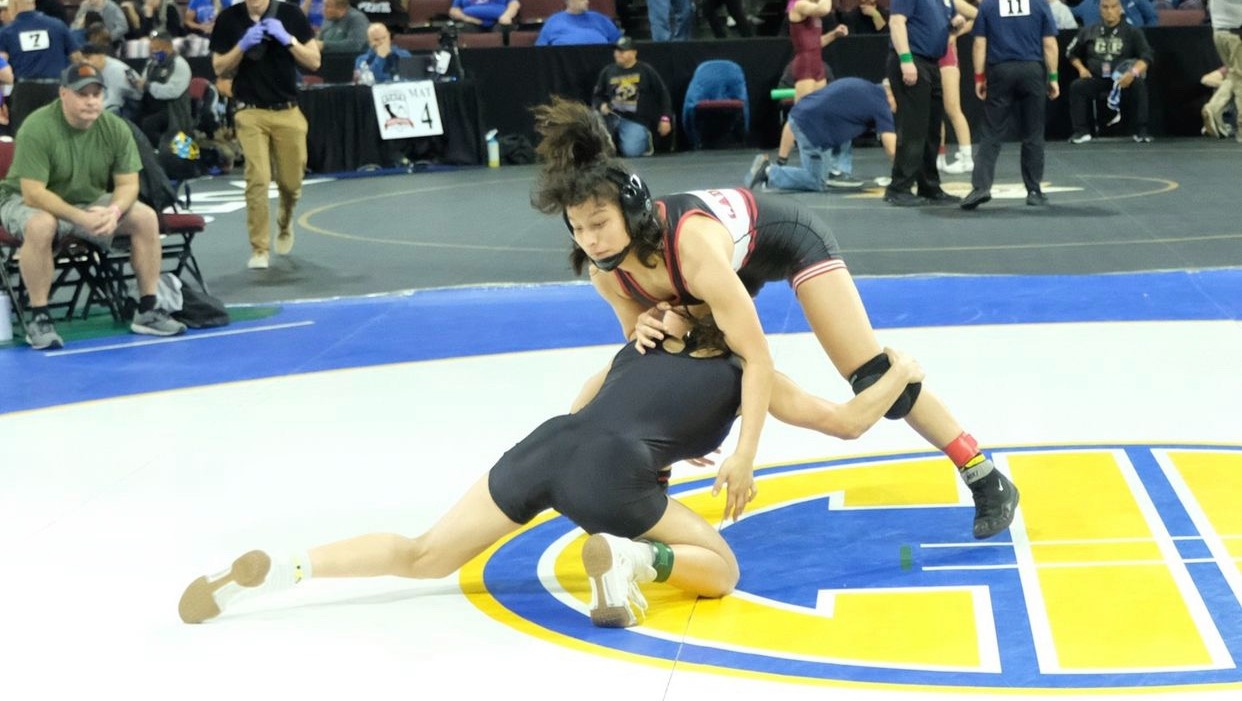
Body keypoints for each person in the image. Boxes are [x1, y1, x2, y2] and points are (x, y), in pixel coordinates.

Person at [178, 314, 927, 628]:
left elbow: (585, 413)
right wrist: (900, 371)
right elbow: (847, 421)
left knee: (423, 551)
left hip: (551, 443)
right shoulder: (745, 371)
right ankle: (632, 558)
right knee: (722, 568)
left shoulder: (640, 343)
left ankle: (286, 566)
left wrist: (651, 445)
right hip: (612, 469)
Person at [531, 97, 1021, 541]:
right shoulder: (606, 274)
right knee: (663, 354)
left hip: (786, 240)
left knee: (871, 375)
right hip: (717, 273)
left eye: (600, 224)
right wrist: (668, 396)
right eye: (578, 229)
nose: (590, 240)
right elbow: (644, 367)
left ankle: (982, 472)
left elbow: (758, 359)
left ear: (632, 212)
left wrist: (744, 455)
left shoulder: (691, 247)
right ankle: (654, 489)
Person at [0, 62, 187, 349]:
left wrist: (114, 211)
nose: (91, 101)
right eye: (82, 94)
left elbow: (128, 185)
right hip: (25, 200)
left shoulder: (115, 127)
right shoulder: (37, 127)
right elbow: (33, 193)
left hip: (87, 200)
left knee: (145, 217)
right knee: (41, 225)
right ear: (63, 94)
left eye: (96, 94)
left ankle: (147, 309)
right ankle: (39, 318)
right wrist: (80, 218)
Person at [209, 0, 319, 270]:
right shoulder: (229, 19)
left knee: (291, 183)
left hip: (287, 110)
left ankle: (285, 218)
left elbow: (314, 61)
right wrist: (242, 46)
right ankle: (259, 248)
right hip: (250, 111)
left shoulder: (290, 14)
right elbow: (219, 67)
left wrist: (288, 39)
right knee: (257, 178)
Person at [960, 0, 1059, 210]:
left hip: (1001, 71)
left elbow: (979, 44)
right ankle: (1034, 191)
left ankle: (981, 187)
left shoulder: (988, 5)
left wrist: (979, 77)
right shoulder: (1039, 4)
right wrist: (1053, 77)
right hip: (1032, 70)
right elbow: (1049, 43)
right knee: (1033, 132)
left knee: (991, 132)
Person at [746, 77, 897, 192]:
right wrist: (904, 177)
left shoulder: (865, 88)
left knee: (850, 124)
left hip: (805, 115)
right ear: (892, 94)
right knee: (815, 181)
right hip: (809, 127)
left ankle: (836, 171)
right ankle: (769, 172)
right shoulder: (881, 105)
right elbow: (891, 149)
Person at [884, 0, 965, 205]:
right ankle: (898, 188)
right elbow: (896, 22)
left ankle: (929, 186)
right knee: (913, 128)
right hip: (913, 59)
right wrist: (905, 59)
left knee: (932, 128)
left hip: (932, 62)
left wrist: (954, 25)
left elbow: (941, 24)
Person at [1065, 0, 1153, 143]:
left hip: (1122, 79)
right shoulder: (1089, 30)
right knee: (1077, 86)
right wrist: (1081, 69)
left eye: (1113, 7)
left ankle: (1141, 131)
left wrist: (1132, 73)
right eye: (1105, 7)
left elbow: (1146, 57)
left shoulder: (1132, 32)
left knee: (1139, 84)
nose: (1109, 11)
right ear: (1100, 9)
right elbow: (1071, 53)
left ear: (1120, 8)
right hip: (1096, 78)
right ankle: (1081, 131)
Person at [774, 0, 846, 167]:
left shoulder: (813, 12)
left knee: (818, 113)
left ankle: (819, 161)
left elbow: (815, 43)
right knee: (799, 115)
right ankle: (781, 161)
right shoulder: (799, 5)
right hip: (805, 66)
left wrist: (834, 34)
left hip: (817, 65)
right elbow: (823, 9)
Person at [0, 0, 82, 134]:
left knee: (24, 134)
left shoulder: (7, 31)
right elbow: (77, 58)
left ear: (13, 5)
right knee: (58, 133)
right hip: (55, 89)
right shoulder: (57, 25)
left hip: (24, 91)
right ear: (33, 4)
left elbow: (2, 65)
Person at [591, 36, 672, 158]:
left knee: (632, 151)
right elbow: (597, 96)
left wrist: (665, 118)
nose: (618, 54)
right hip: (611, 117)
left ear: (634, 53)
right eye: (616, 50)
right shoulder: (608, 71)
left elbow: (663, 94)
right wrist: (601, 105)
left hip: (635, 119)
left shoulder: (645, 70)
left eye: (622, 51)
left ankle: (644, 140)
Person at [936, 0, 977, 175]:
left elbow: (979, 16)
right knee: (934, 110)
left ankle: (966, 158)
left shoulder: (953, 1)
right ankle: (938, 157)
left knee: (952, 108)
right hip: (926, 54)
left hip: (946, 57)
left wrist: (956, 34)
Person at [134, 30, 193, 147]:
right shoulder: (152, 63)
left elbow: (172, 92)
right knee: (132, 118)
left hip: (172, 109)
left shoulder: (179, 64)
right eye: (152, 48)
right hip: (151, 106)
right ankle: (150, 152)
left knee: (149, 124)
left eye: (157, 48)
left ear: (168, 46)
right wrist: (138, 84)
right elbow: (144, 80)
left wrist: (148, 86)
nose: (154, 52)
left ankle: (167, 150)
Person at [1204, 0, 1241, 142]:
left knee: (1234, 77)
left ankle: (1214, 108)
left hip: (1219, 30)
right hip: (1235, 34)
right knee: (1240, 82)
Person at [79, 42, 142, 119]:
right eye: (83, 59)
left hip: (131, 103)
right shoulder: (98, 67)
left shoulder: (115, 69)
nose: (85, 62)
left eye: (88, 58)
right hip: (116, 100)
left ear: (101, 56)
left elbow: (115, 101)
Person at [534, 0, 621, 46]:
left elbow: (619, 43)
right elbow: (540, 52)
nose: (587, 1)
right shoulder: (553, 22)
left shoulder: (600, 19)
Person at [1071, 0, 1157, 27]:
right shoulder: (1088, 4)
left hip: (1135, 49)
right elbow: (1068, 12)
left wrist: (1146, 38)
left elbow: (1152, 17)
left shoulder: (1137, 1)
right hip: (1098, 54)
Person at [448, 0, 520, 32]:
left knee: (503, 29)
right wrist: (467, 19)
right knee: (463, 29)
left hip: (499, 21)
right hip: (472, 22)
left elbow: (514, 3)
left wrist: (507, 15)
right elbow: (454, 10)